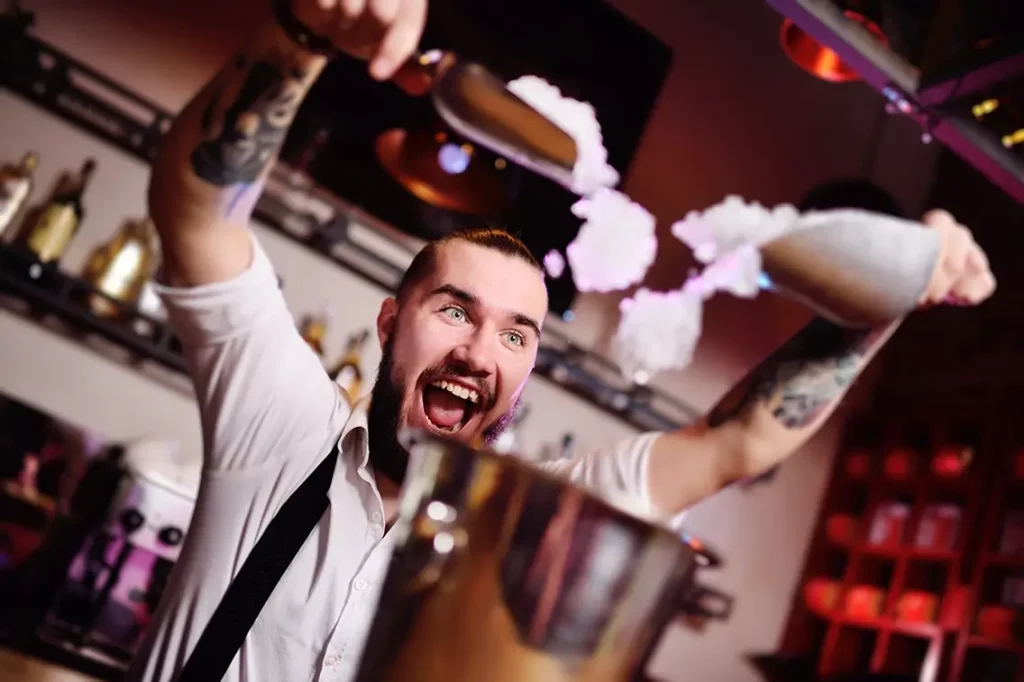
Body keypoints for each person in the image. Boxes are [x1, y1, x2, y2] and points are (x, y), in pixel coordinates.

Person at [129, 1, 996, 680]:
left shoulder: (539, 518)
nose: (480, 353)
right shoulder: (279, 427)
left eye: (517, 334)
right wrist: (303, 33)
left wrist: (891, 299)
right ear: (391, 322)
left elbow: (738, 440)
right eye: (456, 311)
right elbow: (198, 217)